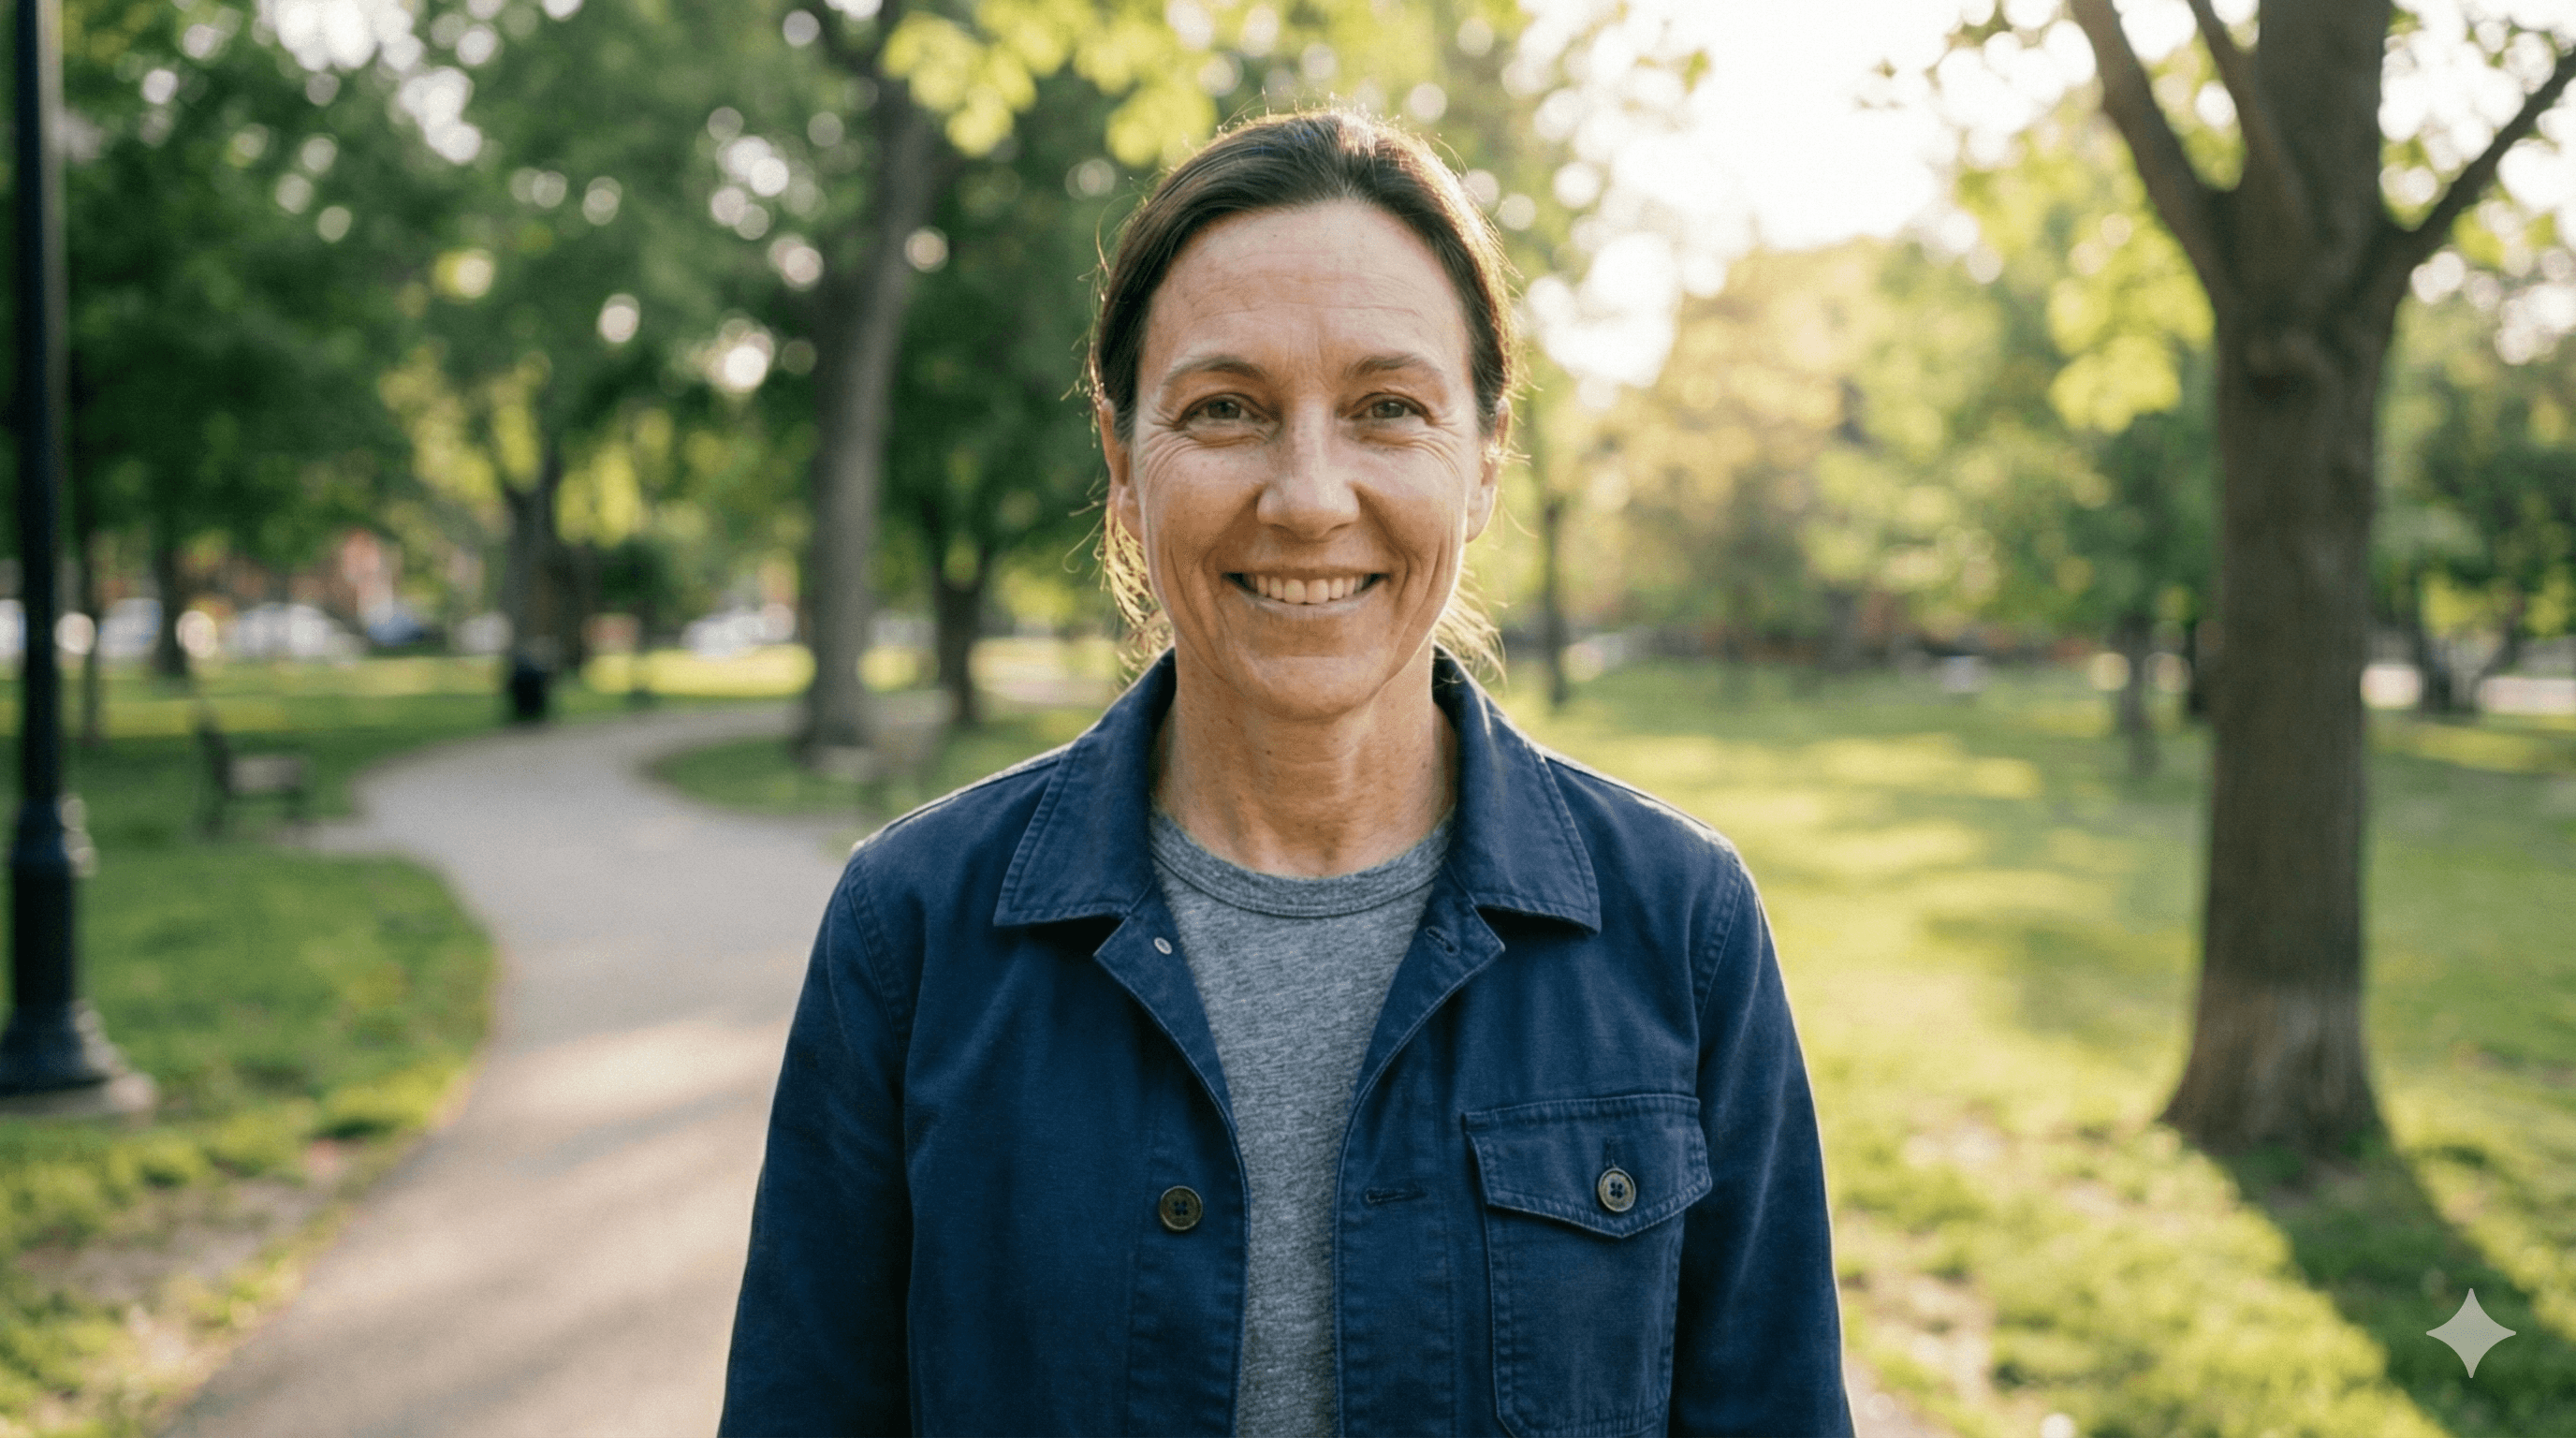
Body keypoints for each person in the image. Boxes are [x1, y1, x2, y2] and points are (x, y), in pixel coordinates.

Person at [720, 110, 1852, 1437]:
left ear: (1484, 457)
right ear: (1122, 463)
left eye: (1386, 408)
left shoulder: (1684, 930)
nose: (1309, 495)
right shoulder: (909, 931)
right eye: (1226, 410)